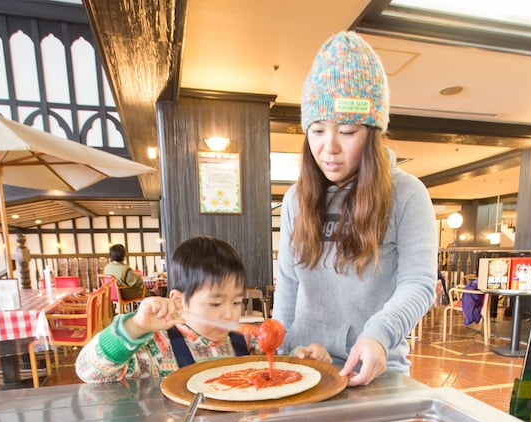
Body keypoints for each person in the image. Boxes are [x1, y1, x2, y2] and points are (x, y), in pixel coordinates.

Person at [275, 31, 438, 386]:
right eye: (317, 130)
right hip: (306, 366)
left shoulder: (407, 194)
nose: (328, 147)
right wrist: (281, 349)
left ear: (372, 132)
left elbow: (419, 284)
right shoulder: (295, 199)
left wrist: (379, 333)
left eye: (347, 131)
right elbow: (287, 285)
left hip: (371, 368)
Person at [77, 235, 329, 382]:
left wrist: (303, 357)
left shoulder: (243, 343)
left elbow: (275, 368)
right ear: (178, 301)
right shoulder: (157, 348)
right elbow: (90, 371)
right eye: (216, 303)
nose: (229, 313)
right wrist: (136, 327)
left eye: (236, 301)